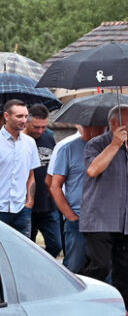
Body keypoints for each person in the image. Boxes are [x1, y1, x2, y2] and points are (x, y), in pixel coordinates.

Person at [81, 105, 128, 316]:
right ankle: (83, 308)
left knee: (127, 275)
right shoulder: (96, 144)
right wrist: (114, 144)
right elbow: (93, 170)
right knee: (100, 267)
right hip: (99, 219)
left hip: (126, 221)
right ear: (114, 124)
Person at [49, 124, 106, 274]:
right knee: (74, 268)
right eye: (96, 126)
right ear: (84, 126)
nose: (101, 130)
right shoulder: (67, 149)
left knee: (105, 270)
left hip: (105, 221)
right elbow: (55, 186)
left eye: (103, 126)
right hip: (78, 219)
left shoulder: (110, 149)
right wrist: (70, 216)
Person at [24, 103, 62, 256]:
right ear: (27, 121)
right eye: (36, 127)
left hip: (48, 204)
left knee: (56, 244)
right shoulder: (20, 141)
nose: (40, 131)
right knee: (26, 247)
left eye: (43, 127)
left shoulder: (49, 136)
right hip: (27, 205)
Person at [0, 99, 38, 239]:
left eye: (26, 116)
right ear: (6, 116)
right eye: (19, 116)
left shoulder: (30, 143)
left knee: (22, 255)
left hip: (22, 210)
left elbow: (31, 174)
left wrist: (29, 202)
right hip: (1, 209)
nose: (24, 120)